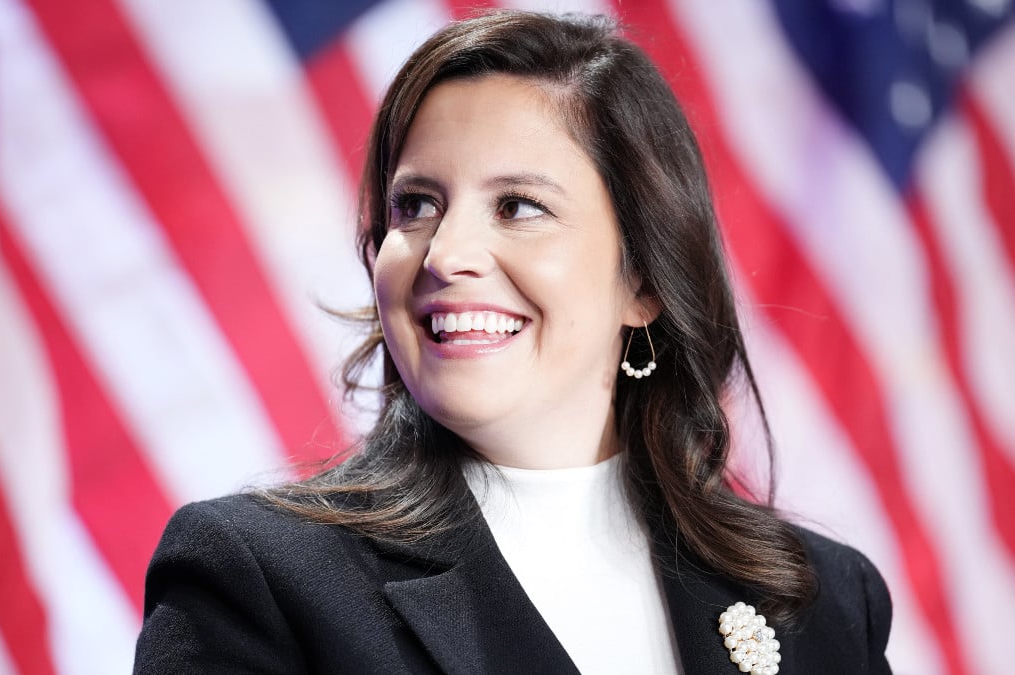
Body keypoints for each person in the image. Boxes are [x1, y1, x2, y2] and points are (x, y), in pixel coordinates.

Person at [133, 11, 892, 675]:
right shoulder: (256, 576)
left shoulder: (823, 602)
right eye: (417, 204)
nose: (444, 253)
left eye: (519, 205)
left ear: (644, 282)